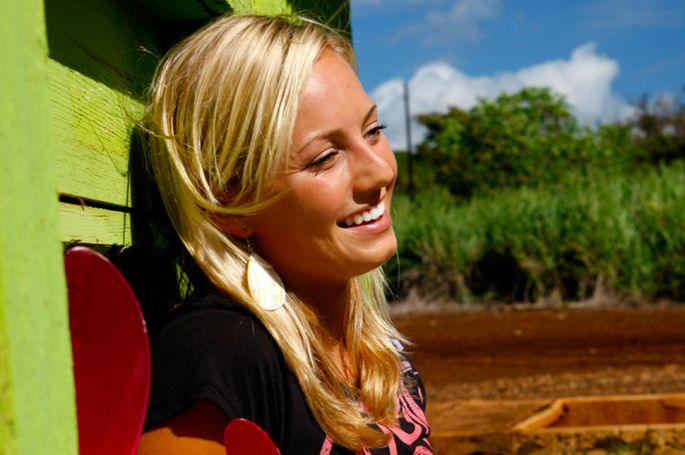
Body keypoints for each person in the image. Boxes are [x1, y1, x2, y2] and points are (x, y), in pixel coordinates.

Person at [136, 14, 433, 454]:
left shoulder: (377, 353)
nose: (380, 171)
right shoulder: (216, 357)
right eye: (325, 158)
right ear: (228, 203)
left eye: (373, 131)